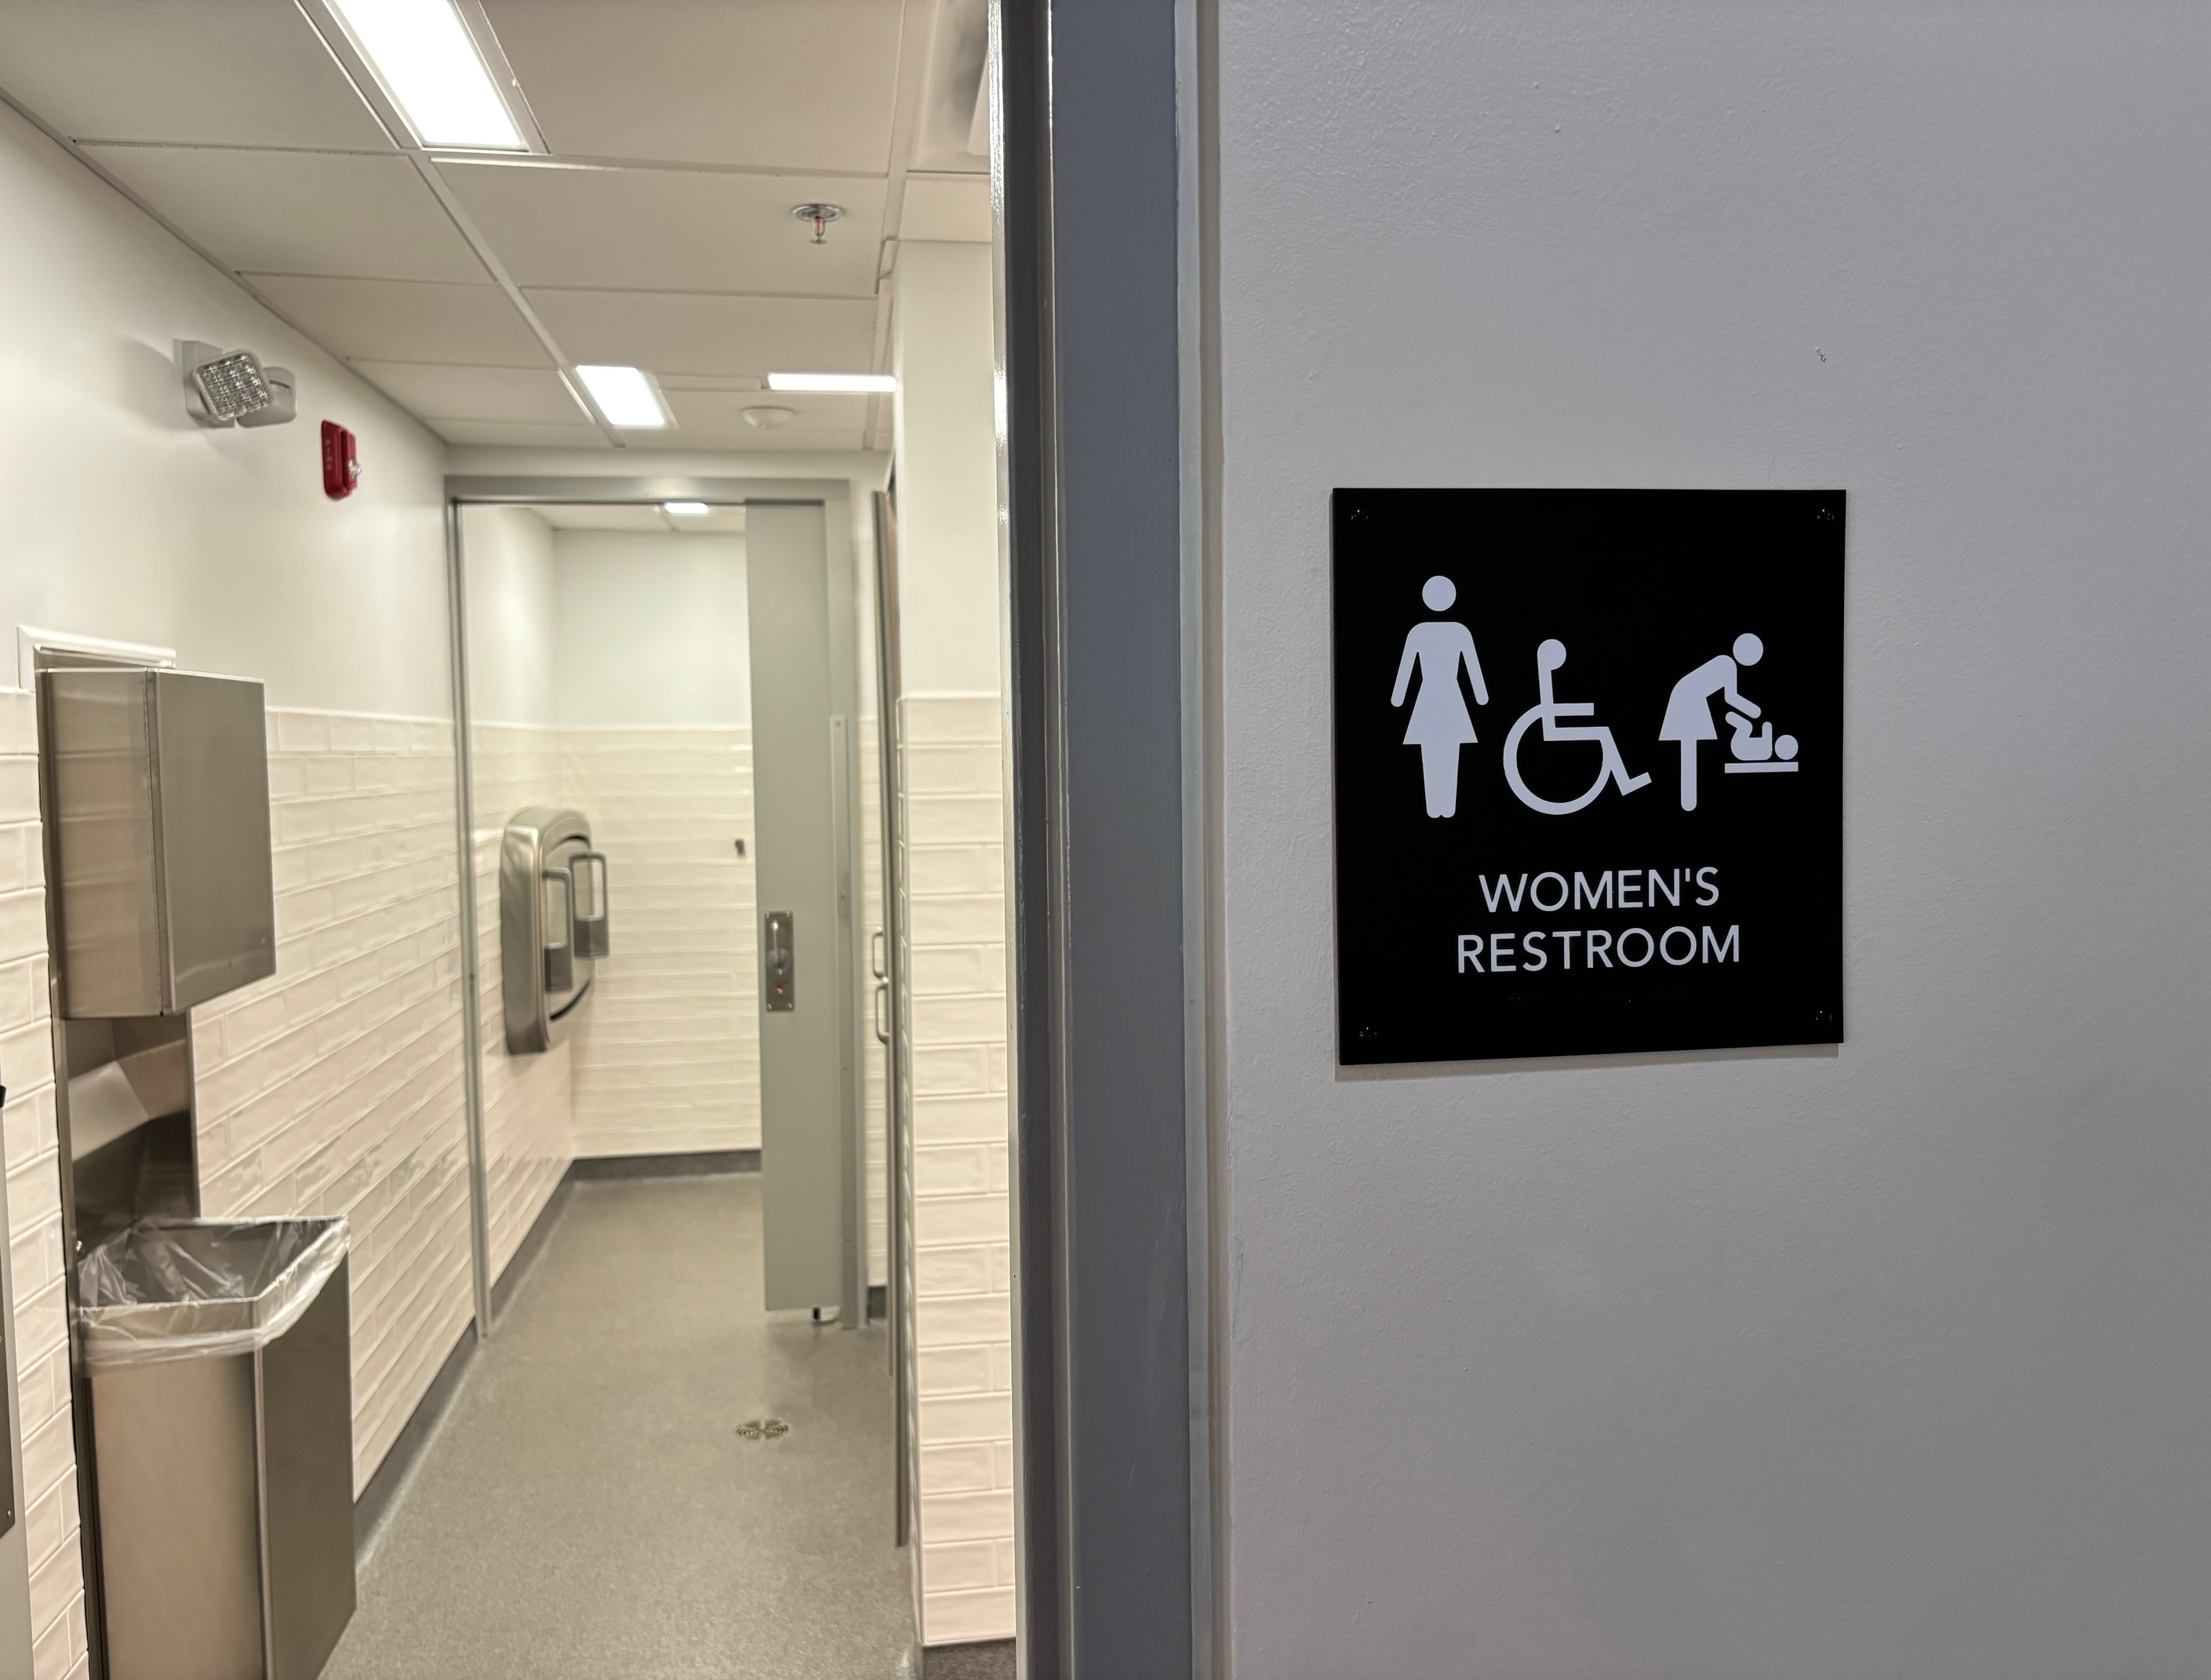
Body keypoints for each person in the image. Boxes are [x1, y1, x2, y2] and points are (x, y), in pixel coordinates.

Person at [1390, 575, 1487, 818]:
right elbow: (1473, 669)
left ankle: (1437, 808)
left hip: (1432, 696)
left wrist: (1399, 698)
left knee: (1434, 750)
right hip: (1447, 696)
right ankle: (1442, 807)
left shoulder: (1420, 632)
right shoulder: (1457, 631)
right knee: (1445, 749)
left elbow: (1406, 671)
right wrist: (1480, 696)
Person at [1658, 632, 1763, 810]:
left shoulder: (1726, 662)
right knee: (1689, 743)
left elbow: (1727, 698)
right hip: (1688, 700)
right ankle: (1689, 801)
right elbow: (1730, 698)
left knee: (1690, 744)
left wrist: (1752, 712)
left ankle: (1690, 800)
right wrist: (1754, 711)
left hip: (1687, 698)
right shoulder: (1727, 664)